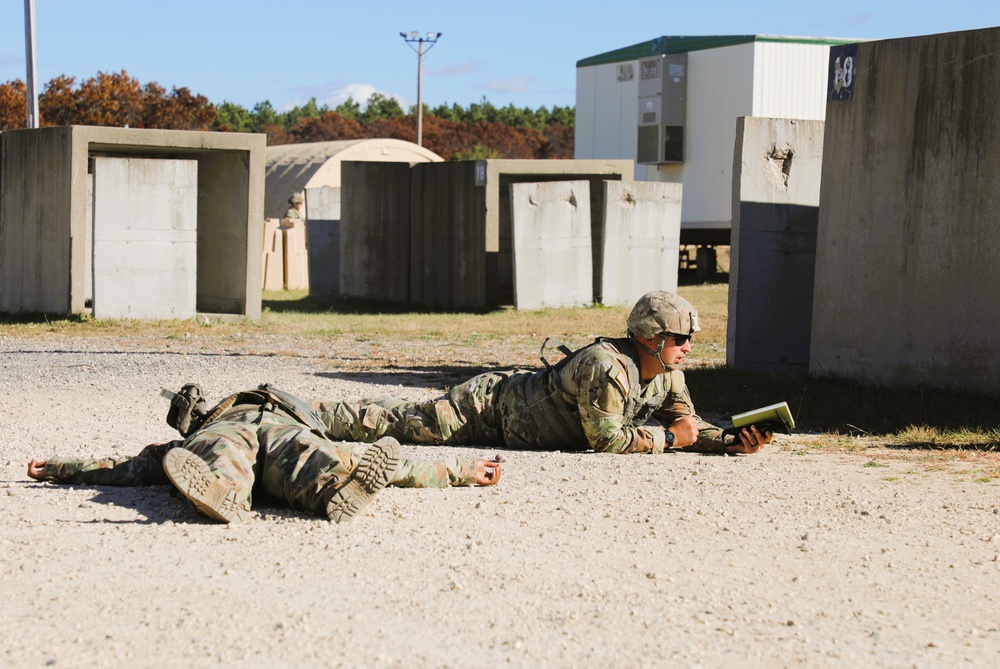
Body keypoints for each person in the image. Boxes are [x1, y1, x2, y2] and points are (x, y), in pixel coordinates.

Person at [313, 290, 773, 456]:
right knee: (400, 423)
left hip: (510, 423)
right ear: (651, 337)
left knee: (405, 415)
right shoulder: (607, 367)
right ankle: (312, 414)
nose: (687, 348)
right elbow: (607, 439)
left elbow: (686, 424)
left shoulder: (670, 372)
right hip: (489, 411)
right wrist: (672, 441)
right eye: (679, 340)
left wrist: (730, 439)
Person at [27, 384, 502, 524]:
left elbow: (383, 461)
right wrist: (59, 468)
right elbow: (122, 468)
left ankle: (336, 492)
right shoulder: (200, 434)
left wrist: (461, 469)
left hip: (284, 432)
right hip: (236, 436)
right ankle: (223, 495)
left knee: (319, 456)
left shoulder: (281, 409)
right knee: (226, 454)